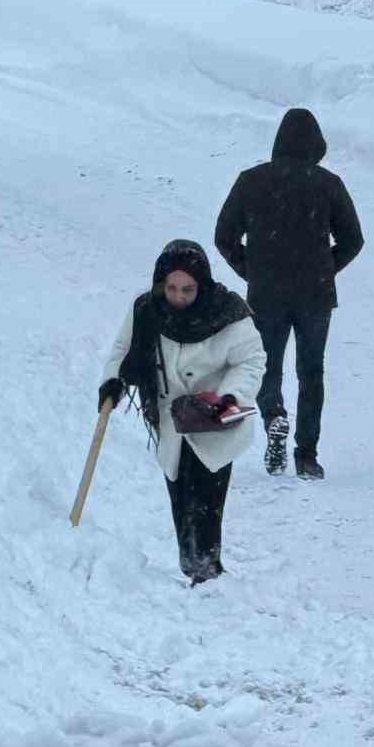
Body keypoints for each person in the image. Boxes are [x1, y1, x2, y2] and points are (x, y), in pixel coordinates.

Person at [99, 240, 267, 586]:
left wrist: (228, 397)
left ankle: (208, 574)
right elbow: (123, 349)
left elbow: (251, 361)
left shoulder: (227, 313)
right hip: (170, 423)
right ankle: (192, 569)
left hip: (214, 423)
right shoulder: (147, 310)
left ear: (202, 284)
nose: (178, 296)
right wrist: (113, 382)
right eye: (172, 288)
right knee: (180, 500)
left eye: (188, 289)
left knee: (206, 504)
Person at [214, 108, 364, 480]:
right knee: (311, 372)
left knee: (267, 366)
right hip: (315, 296)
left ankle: (274, 417)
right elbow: (353, 240)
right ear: (315, 145)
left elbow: (224, 236)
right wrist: (324, 268)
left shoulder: (251, 181)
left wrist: (252, 271)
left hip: (267, 294)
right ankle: (307, 455)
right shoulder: (328, 184)